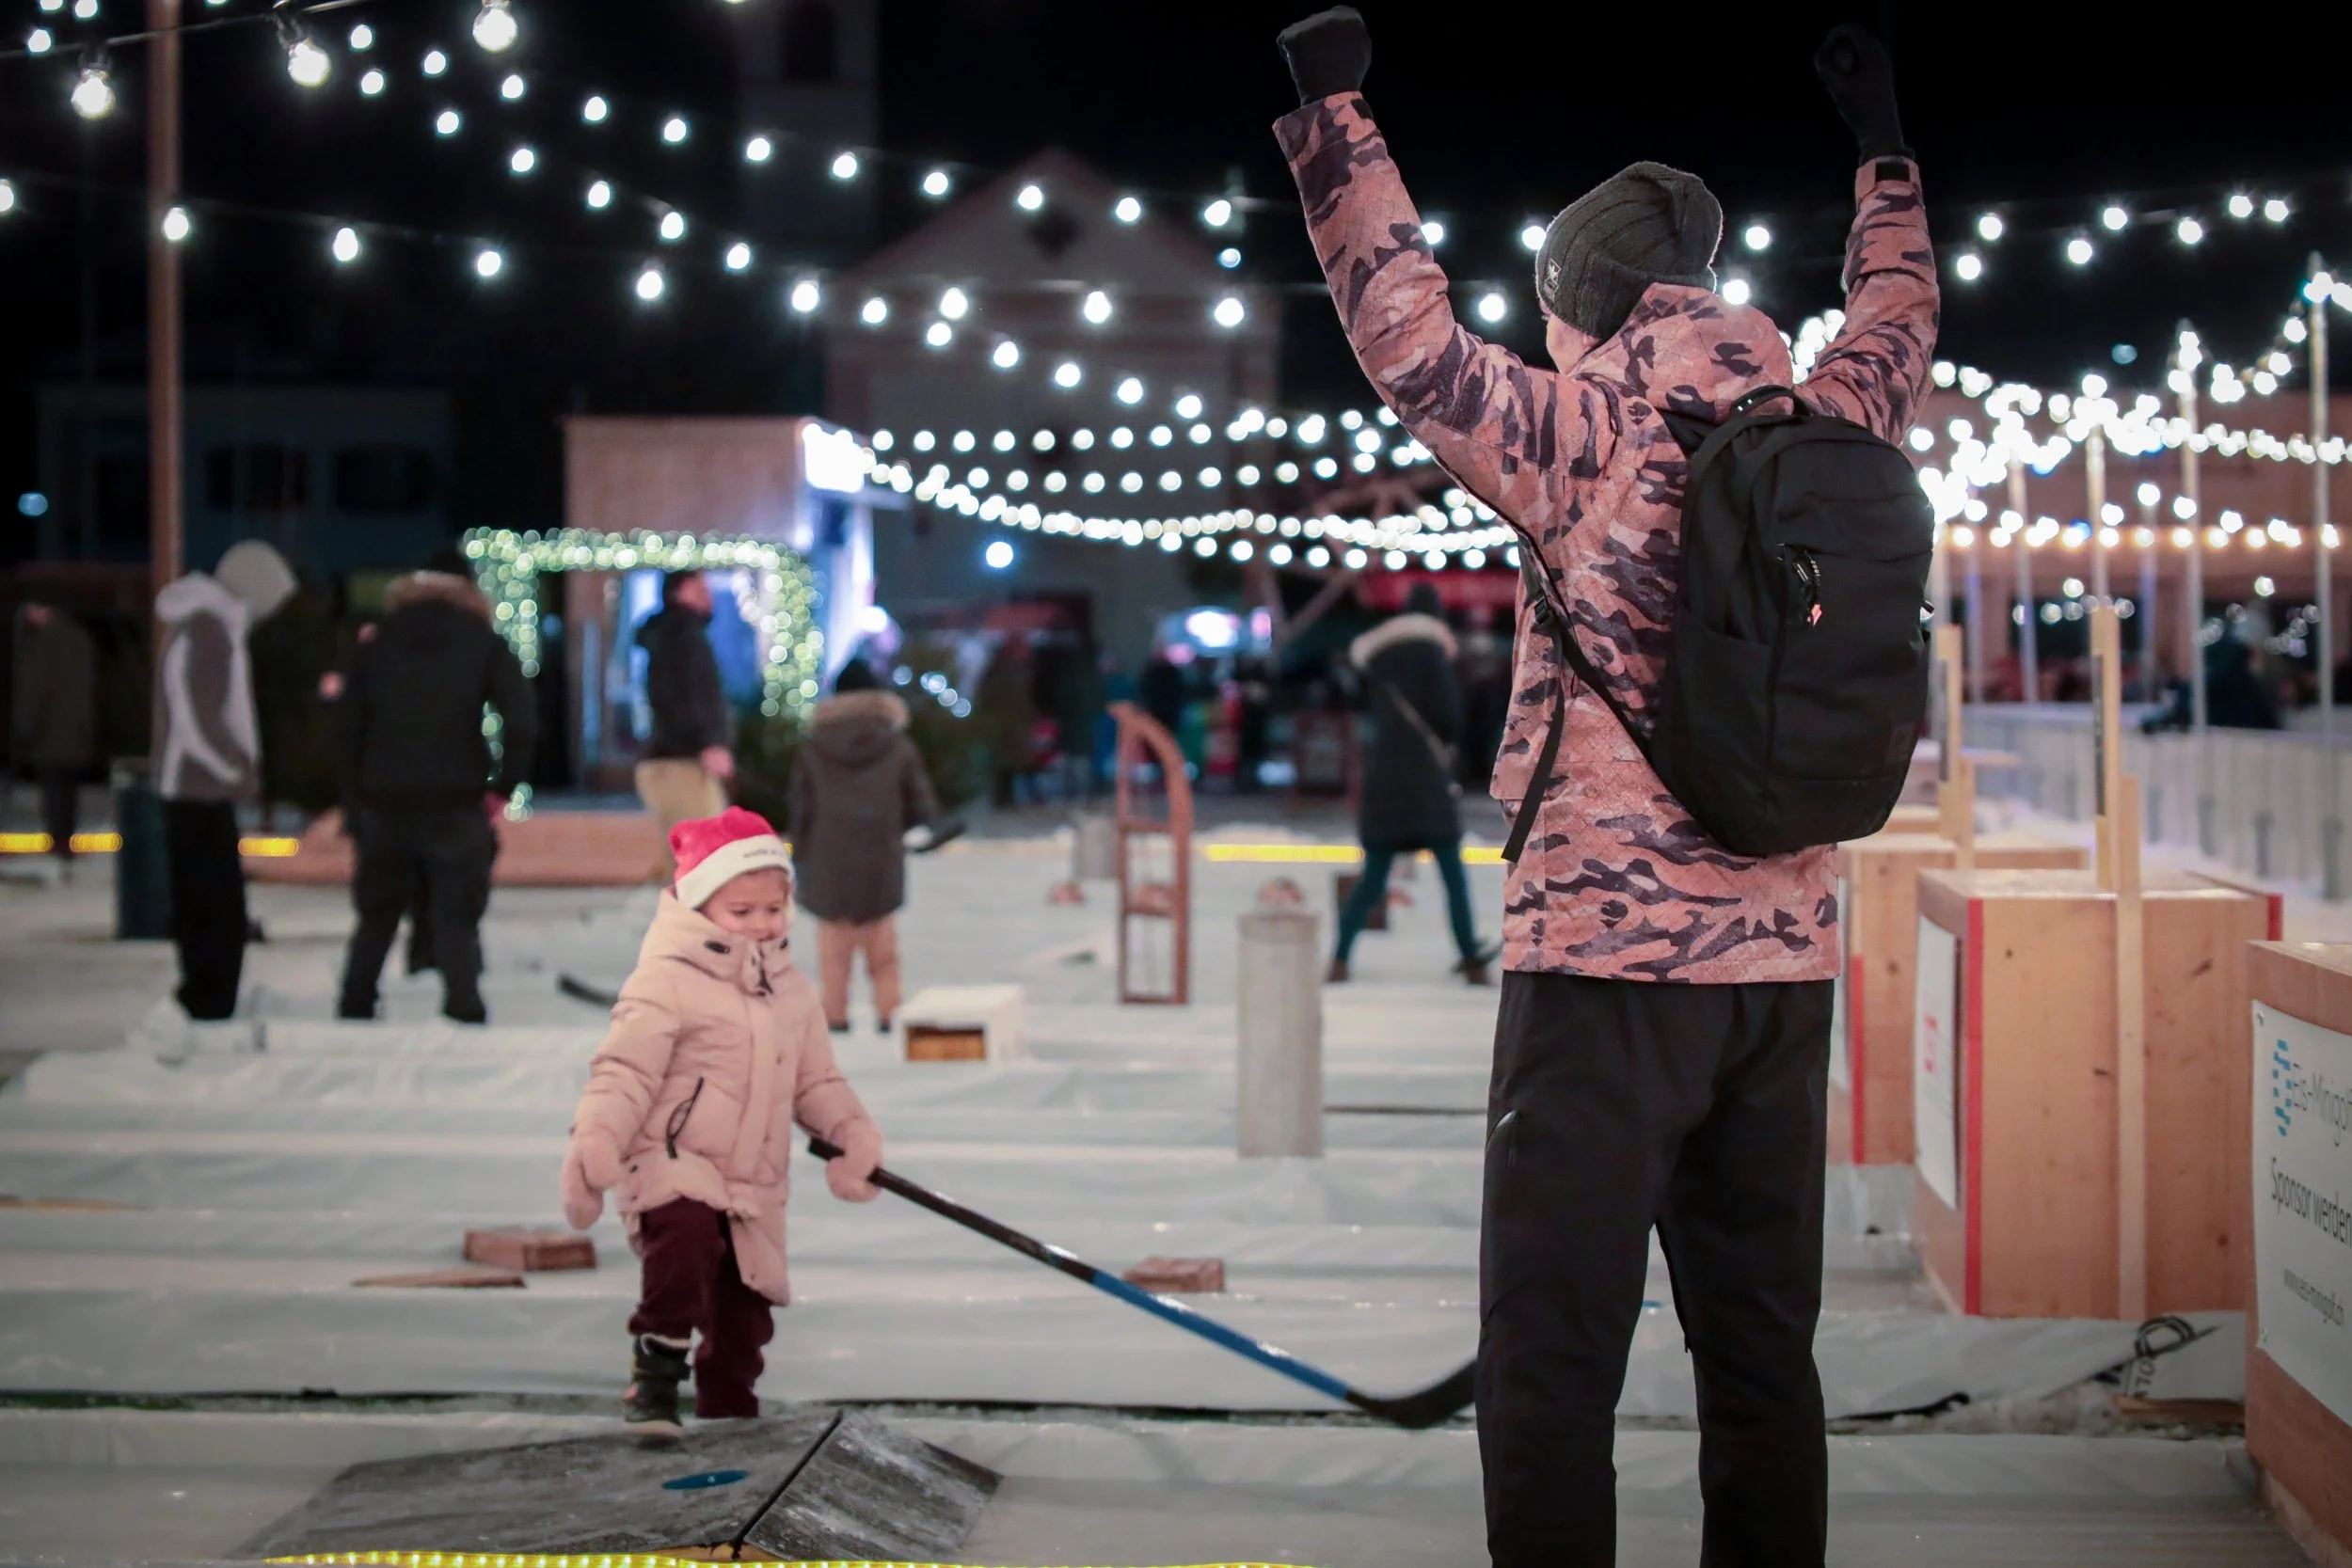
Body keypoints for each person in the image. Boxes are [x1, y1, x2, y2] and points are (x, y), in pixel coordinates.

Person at [1274, 12, 1935, 1566]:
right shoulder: (1829, 417)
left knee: (1553, 1359)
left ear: (1576, 302)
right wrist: (1882, 142)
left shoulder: (1584, 437)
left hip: (1604, 968)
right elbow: (1899, 306)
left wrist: (1336, 113)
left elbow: (1406, 336)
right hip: (1785, 964)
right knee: (1765, 1357)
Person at [560, 807, 884, 1436]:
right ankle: (654, 1379)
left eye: (774, 907)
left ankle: (729, 1417)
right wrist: (595, 1138)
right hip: (672, 1160)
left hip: (753, 1182)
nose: (762, 924)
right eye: (742, 911)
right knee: (682, 1247)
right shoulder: (666, 981)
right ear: (699, 905)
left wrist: (852, 1135)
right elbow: (625, 1071)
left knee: (745, 1315)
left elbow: (816, 1082)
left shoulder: (793, 992)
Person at [335, 552, 536, 1024]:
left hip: (384, 798)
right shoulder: (482, 641)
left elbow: (348, 727)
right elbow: (522, 719)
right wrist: (505, 785)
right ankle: (463, 1002)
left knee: (377, 912)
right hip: (456, 795)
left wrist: (354, 800)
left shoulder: (376, 642)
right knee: (457, 913)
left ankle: (356, 999)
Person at [153, 540, 297, 1021]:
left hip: (199, 786)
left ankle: (207, 996)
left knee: (206, 901)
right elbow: (196, 718)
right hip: (199, 788)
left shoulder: (208, 626)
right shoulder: (209, 629)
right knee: (214, 905)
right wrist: (232, 768)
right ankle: (208, 1000)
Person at [1328, 583, 1496, 986]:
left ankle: (1339, 958)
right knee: (1452, 875)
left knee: (1373, 878)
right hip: (1425, 781)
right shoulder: (1431, 654)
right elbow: (1449, 716)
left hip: (1384, 779)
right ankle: (1471, 958)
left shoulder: (1380, 662)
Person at [789, 660, 938, 1033]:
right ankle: (889, 1011)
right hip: (880, 858)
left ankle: (835, 1014)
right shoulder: (898, 746)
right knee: (884, 952)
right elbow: (919, 803)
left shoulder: (813, 749)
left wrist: (800, 854)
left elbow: (800, 808)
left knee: (833, 951)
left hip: (828, 861)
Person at [636, 572, 735, 877]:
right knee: (705, 864)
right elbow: (688, 693)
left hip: (675, 762)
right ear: (682, 592)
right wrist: (708, 742)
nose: (710, 597)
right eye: (701, 588)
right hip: (682, 764)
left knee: (689, 867)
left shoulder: (673, 635)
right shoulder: (682, 636)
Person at [9, 597, 98, 883]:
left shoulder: (41, 643)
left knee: (53, 790)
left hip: (50, 731)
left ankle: (58, 843)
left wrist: (23, 726)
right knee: (67, 791)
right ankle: (64, 842)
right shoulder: (79, 637)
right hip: (76, 729)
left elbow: (33, 688)